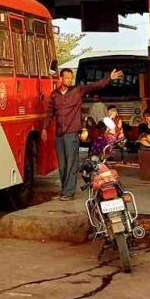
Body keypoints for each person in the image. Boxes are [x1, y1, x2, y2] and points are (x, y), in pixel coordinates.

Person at [42, 66, 123, 201]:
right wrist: (45, 128)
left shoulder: (78, 90)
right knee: (62, 165)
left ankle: (69, 192)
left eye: (70, 78)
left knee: (72, 164)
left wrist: (109, 78)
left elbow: (94, 86)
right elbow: (50, 113)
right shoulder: (54, 95)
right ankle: (63, 190)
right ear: (60, 78)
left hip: (72, 133)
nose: (69, 80)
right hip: (59, 133)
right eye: (66, 78)